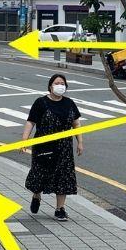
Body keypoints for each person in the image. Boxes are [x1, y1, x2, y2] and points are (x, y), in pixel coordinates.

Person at [24, 74, 83, 222]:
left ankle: (60, 209)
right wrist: (24, 140)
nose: (60, 86)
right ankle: (36, 195)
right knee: (40, 174)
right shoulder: (41, 102)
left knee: (63, 177)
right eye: (57, 83)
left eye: (62, 83)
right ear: (50, 86)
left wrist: (80, 142)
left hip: (64, 147)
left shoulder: (69, 103)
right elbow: (31, 122)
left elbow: (76, 123)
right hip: (43, 146)